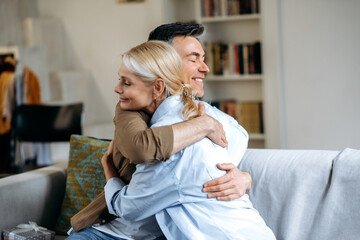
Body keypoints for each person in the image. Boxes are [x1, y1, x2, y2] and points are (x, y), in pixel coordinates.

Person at [70, 22, 252, 233]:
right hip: (118, 228)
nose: (205, 68)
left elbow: (239, 136)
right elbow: (143, 148)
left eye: (203, 59)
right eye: (193, 59)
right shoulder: (131, 107)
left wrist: (244, 178)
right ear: (162, 62)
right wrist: (203, 125)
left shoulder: (202, 112)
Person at [100, 41, 275, 239]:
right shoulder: (200, 117)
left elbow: (128, 209)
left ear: (158, 87)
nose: (116, 88)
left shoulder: (171, 145)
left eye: (126, 82)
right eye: (193, 59)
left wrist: (109, 171)